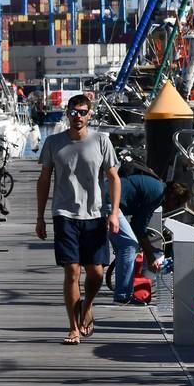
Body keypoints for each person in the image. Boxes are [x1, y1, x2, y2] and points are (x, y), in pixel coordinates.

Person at [36, 95, 120, 345]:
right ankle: (73, 327)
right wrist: (40, 217)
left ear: (90, 114)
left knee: (95, 272)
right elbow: (44, 180)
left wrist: (113, 213)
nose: (78, 117)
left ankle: (87, 306)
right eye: (73, 112)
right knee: (72, 270)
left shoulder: (101, 141)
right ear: (67, 114)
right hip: (64, 214)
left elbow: (114, 178)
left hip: (94, 214)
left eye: (82, 112)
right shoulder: (53, 143)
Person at [109, 175, 190, 304]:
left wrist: (149, 249)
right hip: (109, 203)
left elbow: (138, 223)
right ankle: (123, 295)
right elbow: (139, 226)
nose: (175, 207)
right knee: (129, 246)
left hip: (108, 200)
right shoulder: (157, 194)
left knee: (125, 245)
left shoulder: (157, 189)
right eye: (177, 203)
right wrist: (151, 256)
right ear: (173, 196)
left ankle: (123, 290)